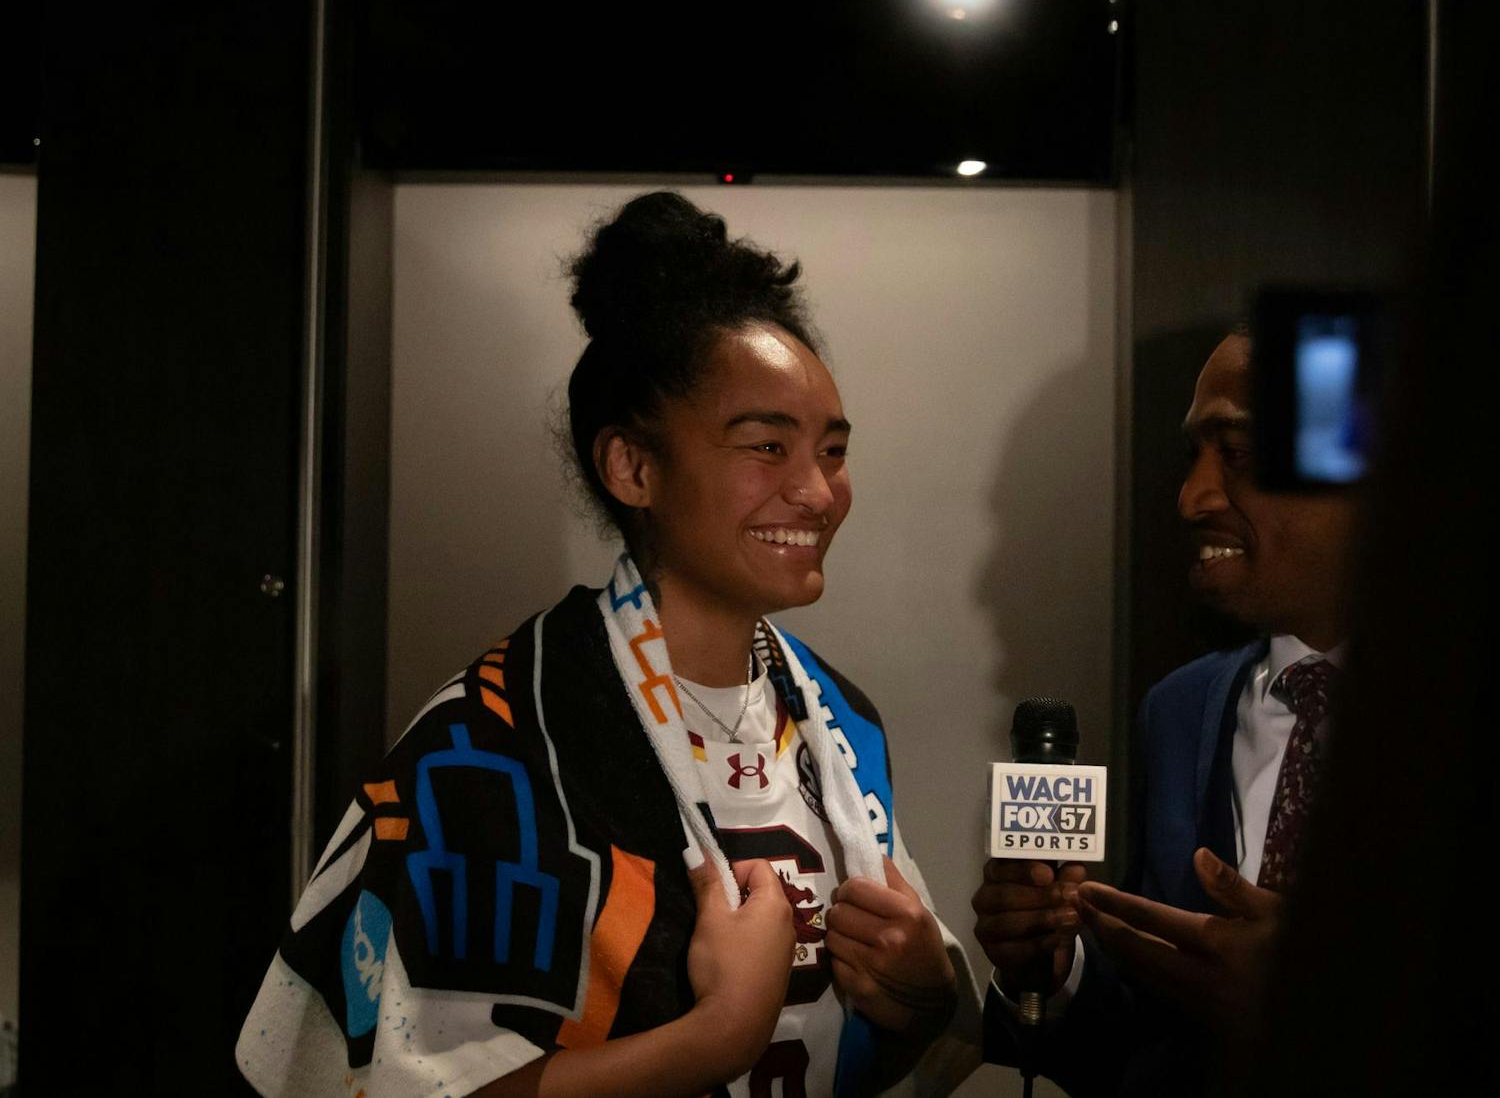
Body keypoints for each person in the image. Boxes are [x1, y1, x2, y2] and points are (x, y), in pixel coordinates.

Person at [237, 191, 981, 1097]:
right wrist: (716, 1036)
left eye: (831, 450)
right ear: (632, 466)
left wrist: (925, 995)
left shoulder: (840, 721)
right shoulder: (494, 741)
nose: (819, 493)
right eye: (766, 447)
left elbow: (884, 1040)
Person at [971, 328, 1357, 1095]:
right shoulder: (1177, 714)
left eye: (1238, 454)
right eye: (1193, 457)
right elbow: (1146, 1044)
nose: (1192, 497)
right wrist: (1053, 970)